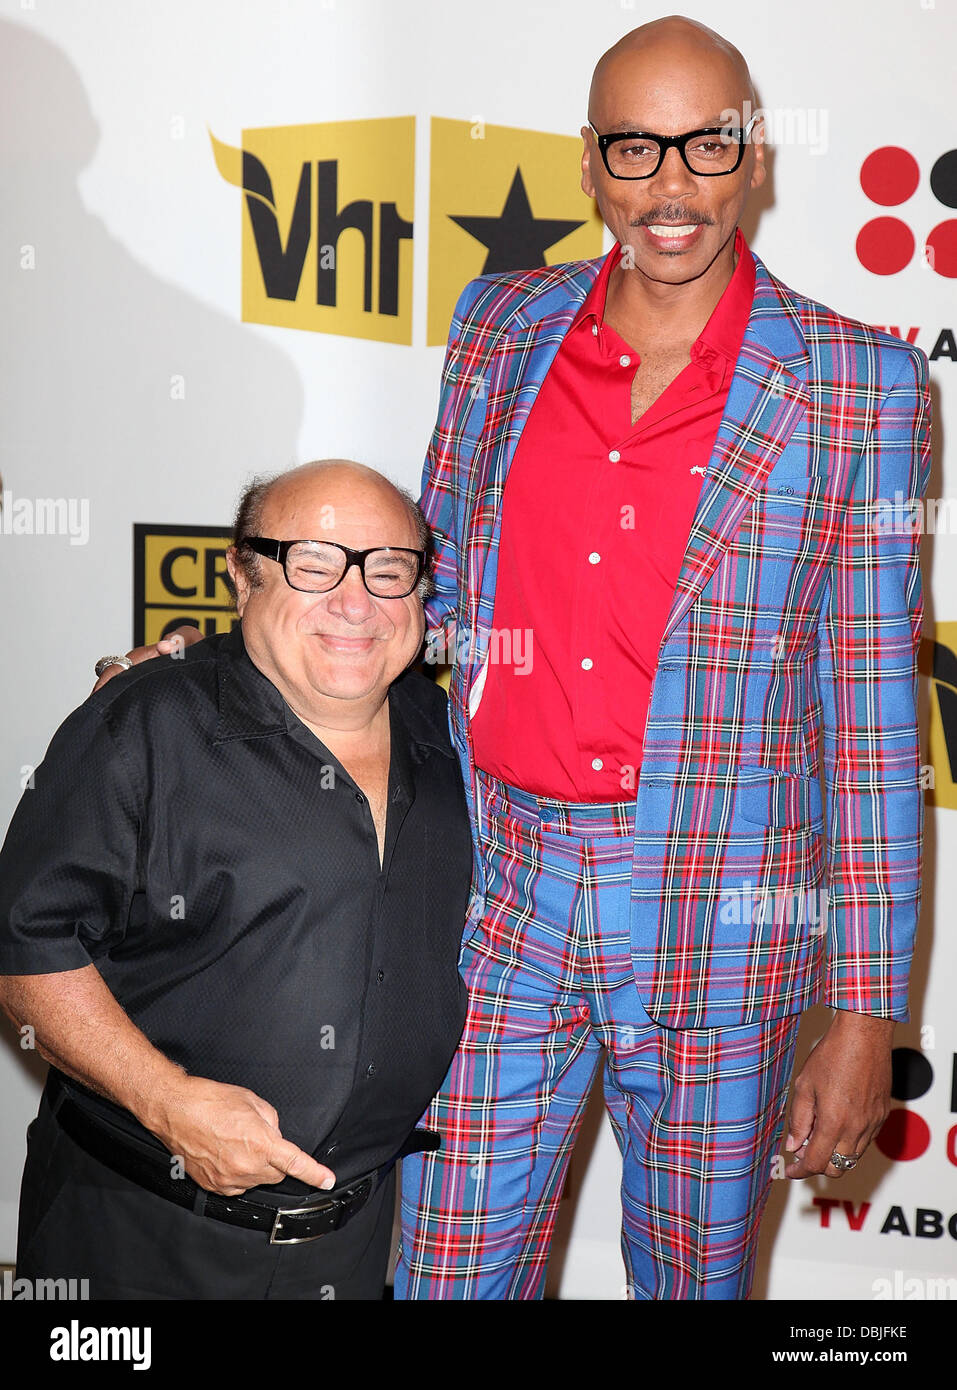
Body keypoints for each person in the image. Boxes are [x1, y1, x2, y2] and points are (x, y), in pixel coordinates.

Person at [391, 17, 932, 1299]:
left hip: (724, 917)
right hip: (500, 883)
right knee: (443, 1272)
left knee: (691, 1285)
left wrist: (866, 1013)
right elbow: (432, 587)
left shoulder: (863, 388)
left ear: (755, 157)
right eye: (637, 148)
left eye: (706, 145)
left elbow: (869, 722)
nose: (672, 185)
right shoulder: (502, 325)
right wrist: (228, 669)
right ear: (588, 162)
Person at [0, 460, 472, 1300]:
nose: (355, 601)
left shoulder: (463, 745)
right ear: (240, 574)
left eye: (388, 569)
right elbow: (27, 944)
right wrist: (167, 1100)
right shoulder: (144, 722)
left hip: (358, 1247)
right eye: (313, 562)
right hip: (135, 1237)